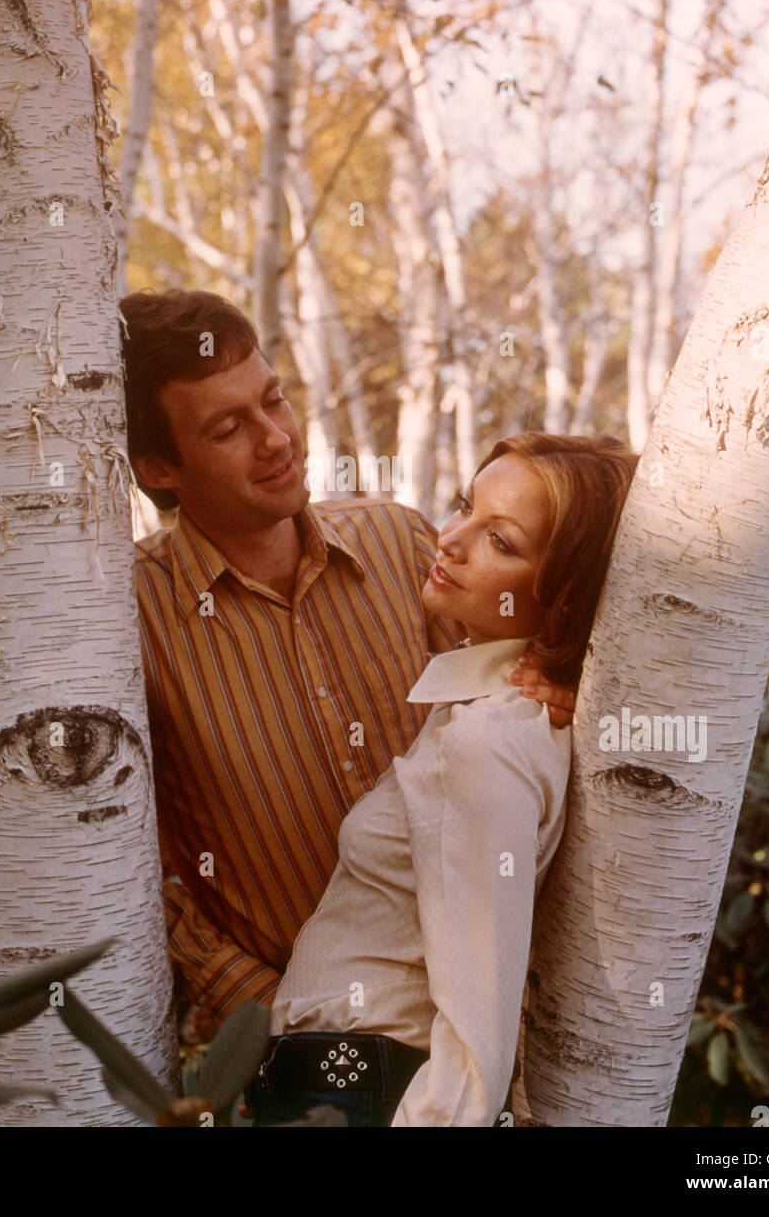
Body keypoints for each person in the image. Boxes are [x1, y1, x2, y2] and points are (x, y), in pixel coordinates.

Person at [121, 288, 578, 1051]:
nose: (275, 440)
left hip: (500, 1021)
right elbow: (134, 864)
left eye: (274, 401)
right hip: (290, 1049)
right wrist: (270, 1012)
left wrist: (560, 678)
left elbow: (509, 677)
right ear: (159, 465)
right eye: (229, 428)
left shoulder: (399, 541)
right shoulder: (127, 620)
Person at [251, 433, 638, 1127]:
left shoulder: (487, 741)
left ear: (566, 595)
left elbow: (473, 1040)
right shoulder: (489, 715)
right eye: (464, 507)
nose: (450, 540)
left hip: (357, 1089)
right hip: (336, 1083)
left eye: (502, 542)